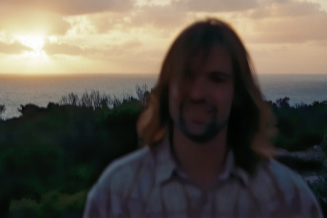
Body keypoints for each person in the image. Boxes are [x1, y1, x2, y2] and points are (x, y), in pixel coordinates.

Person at [83, 18, 323, 217]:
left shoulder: (286, 199)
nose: (198, 93)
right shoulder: (117, 195)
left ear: (237, 93)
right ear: (168, 87)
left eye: (217, 79)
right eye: (187, 75)